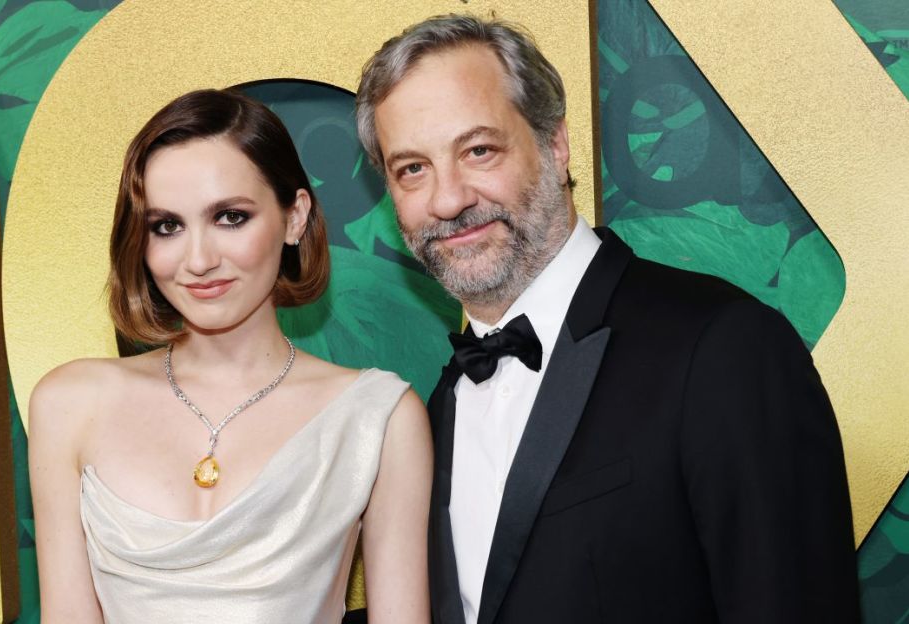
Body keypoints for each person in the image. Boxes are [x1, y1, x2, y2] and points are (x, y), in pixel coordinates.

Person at [355, 14, 859, 624]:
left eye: (479, 150)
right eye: (413, 169)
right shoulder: (431, 412)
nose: (448, 199)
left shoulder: (723, 347)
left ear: (555, 144)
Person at [28, 89, 432, 623]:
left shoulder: (379, 419)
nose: (198, 260)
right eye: (167, 226)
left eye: (230, 218)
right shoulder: (70, 404)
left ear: (294, 218)